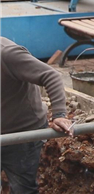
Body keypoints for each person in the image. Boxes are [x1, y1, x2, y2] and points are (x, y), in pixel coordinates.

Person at [1, 37, 73, 194]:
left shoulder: (7, 54)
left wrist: (59, 114)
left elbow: (50, 75)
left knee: (23, 188)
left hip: (22, 134)